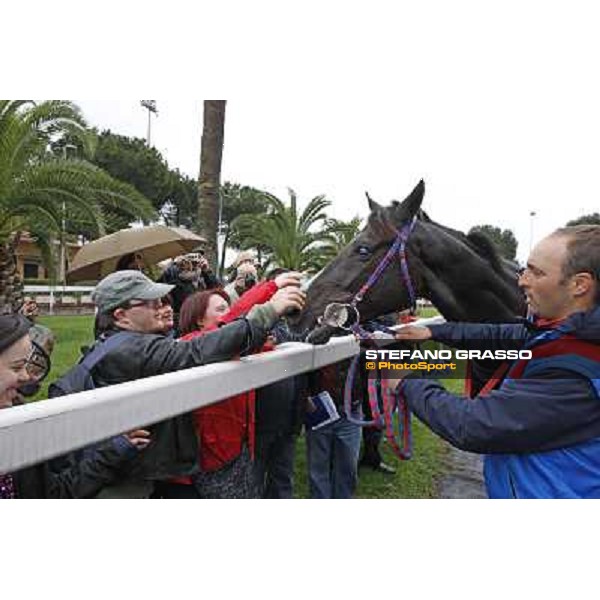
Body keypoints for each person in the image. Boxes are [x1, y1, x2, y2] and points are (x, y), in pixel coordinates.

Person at [385, 225, 600, 499]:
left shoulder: (577, 367)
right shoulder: (564, 329)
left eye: (536, 271)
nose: (522, 280)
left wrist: (407, 380)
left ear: (579, 284)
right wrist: (433, 331)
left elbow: (472, 425)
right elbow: (503, 333)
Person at [86, 269, 305, 498]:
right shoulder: (135, 350)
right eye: (151, 303)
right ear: (121, 316)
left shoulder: (128, 345)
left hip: (153, 466)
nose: (161, 307)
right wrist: (268, 306)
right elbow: (203, 346)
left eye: (162, 301)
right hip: (150, 473)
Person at [159, 271, 303, 499]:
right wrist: (270, 288)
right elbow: (232, 325)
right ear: (198, 318)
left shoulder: (237, 347)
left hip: (238, 450)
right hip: (212, 458)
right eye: (220, 309)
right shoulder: (190, 345)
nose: (229, 313)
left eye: (228, 307)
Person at [0, 314, 151, 499]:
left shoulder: (19, 427)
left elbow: (53, 494)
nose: (27, 377)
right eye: (16, 367)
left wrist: (113, 452)